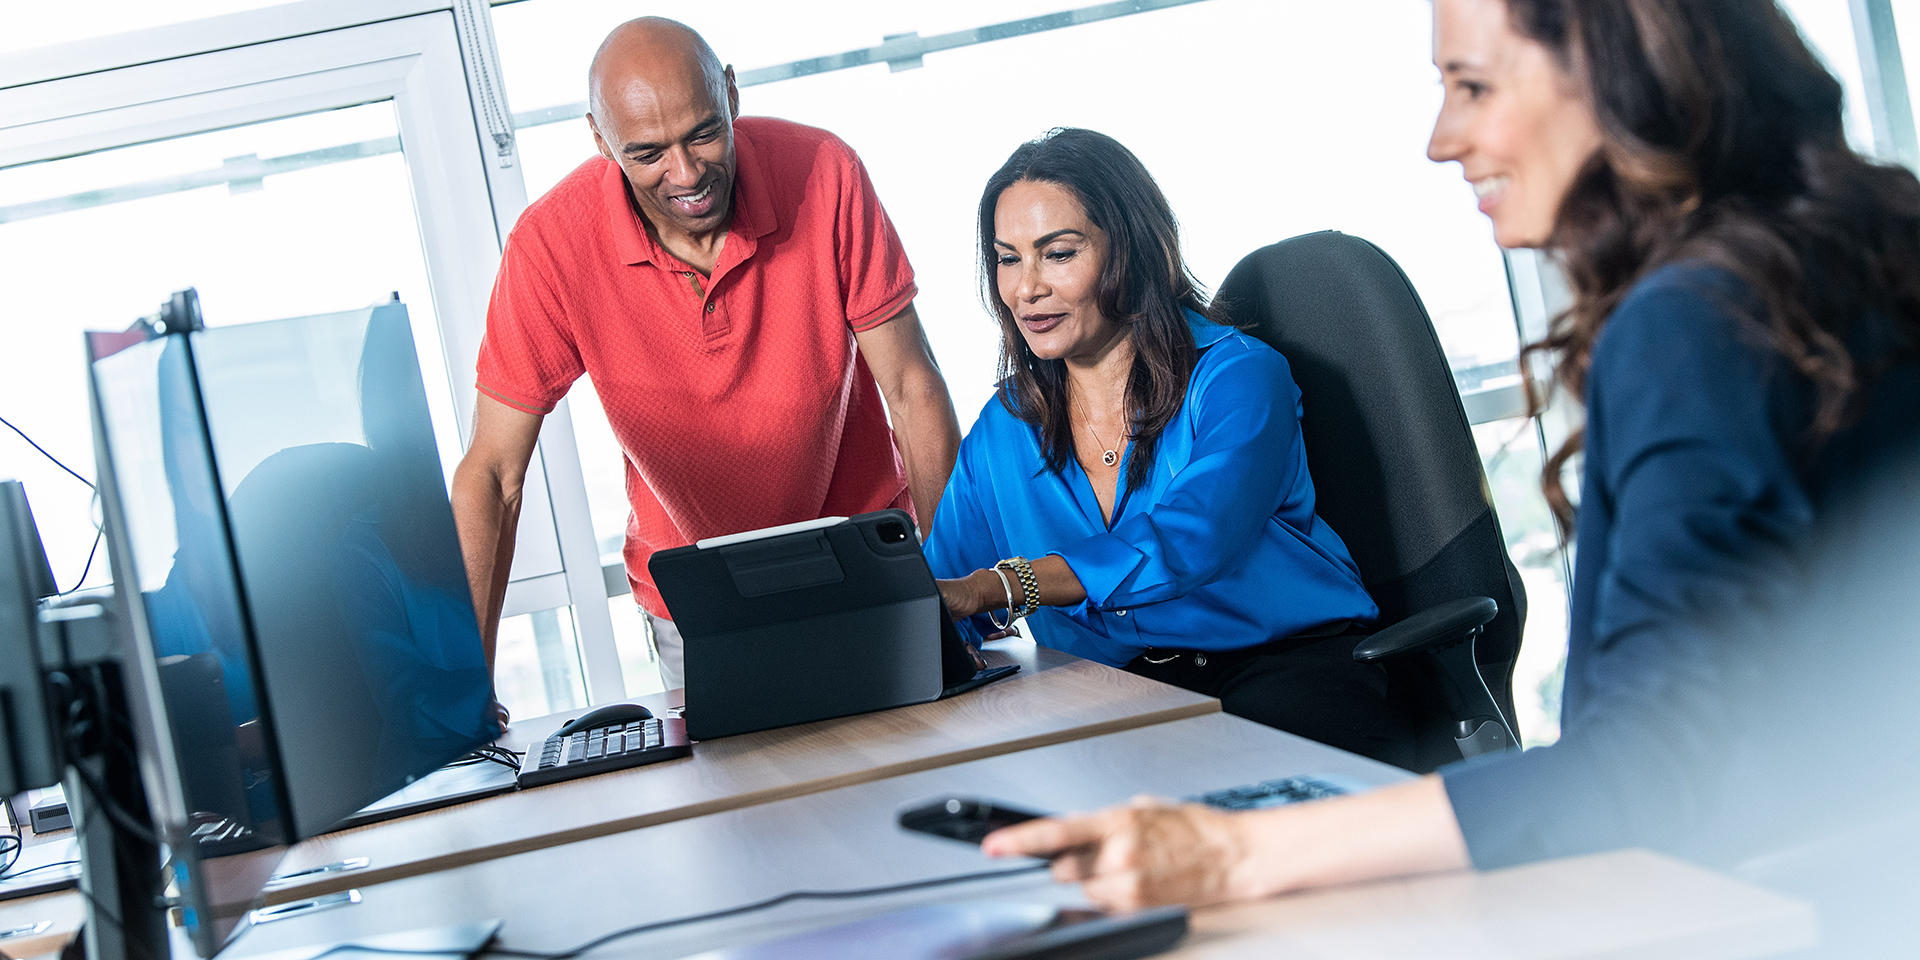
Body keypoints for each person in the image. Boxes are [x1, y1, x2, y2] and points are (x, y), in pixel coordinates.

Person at [980, 0, 1920, 922]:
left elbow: (1650, 767)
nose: (1442, 137)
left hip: (1768, 897)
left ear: (1618, 74)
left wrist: (1233, 850)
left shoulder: (1692, 328)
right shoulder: (1853, 255)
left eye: (1472, 86)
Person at [451, 18, 962, 695]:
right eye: (648, 153)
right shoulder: (552, 243)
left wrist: (968, 590)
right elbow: (493, 473)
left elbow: (911, 387)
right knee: (738, 800)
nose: (686, 174)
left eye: (702, 133)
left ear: (730, 93)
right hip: (695, 602)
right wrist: (463, 693)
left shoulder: (822, 170)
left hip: (863, 566)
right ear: (600, 140)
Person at [924, 128, 1410, 767]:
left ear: (1140, 250)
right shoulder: (1006, 425)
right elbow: (943, 598)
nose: (1026, 288)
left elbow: (1193, 537)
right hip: (1117, 696)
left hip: (1281, 672)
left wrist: (1004, 587)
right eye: (1008, 258)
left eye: (1059, 254)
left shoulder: (1237, 376)